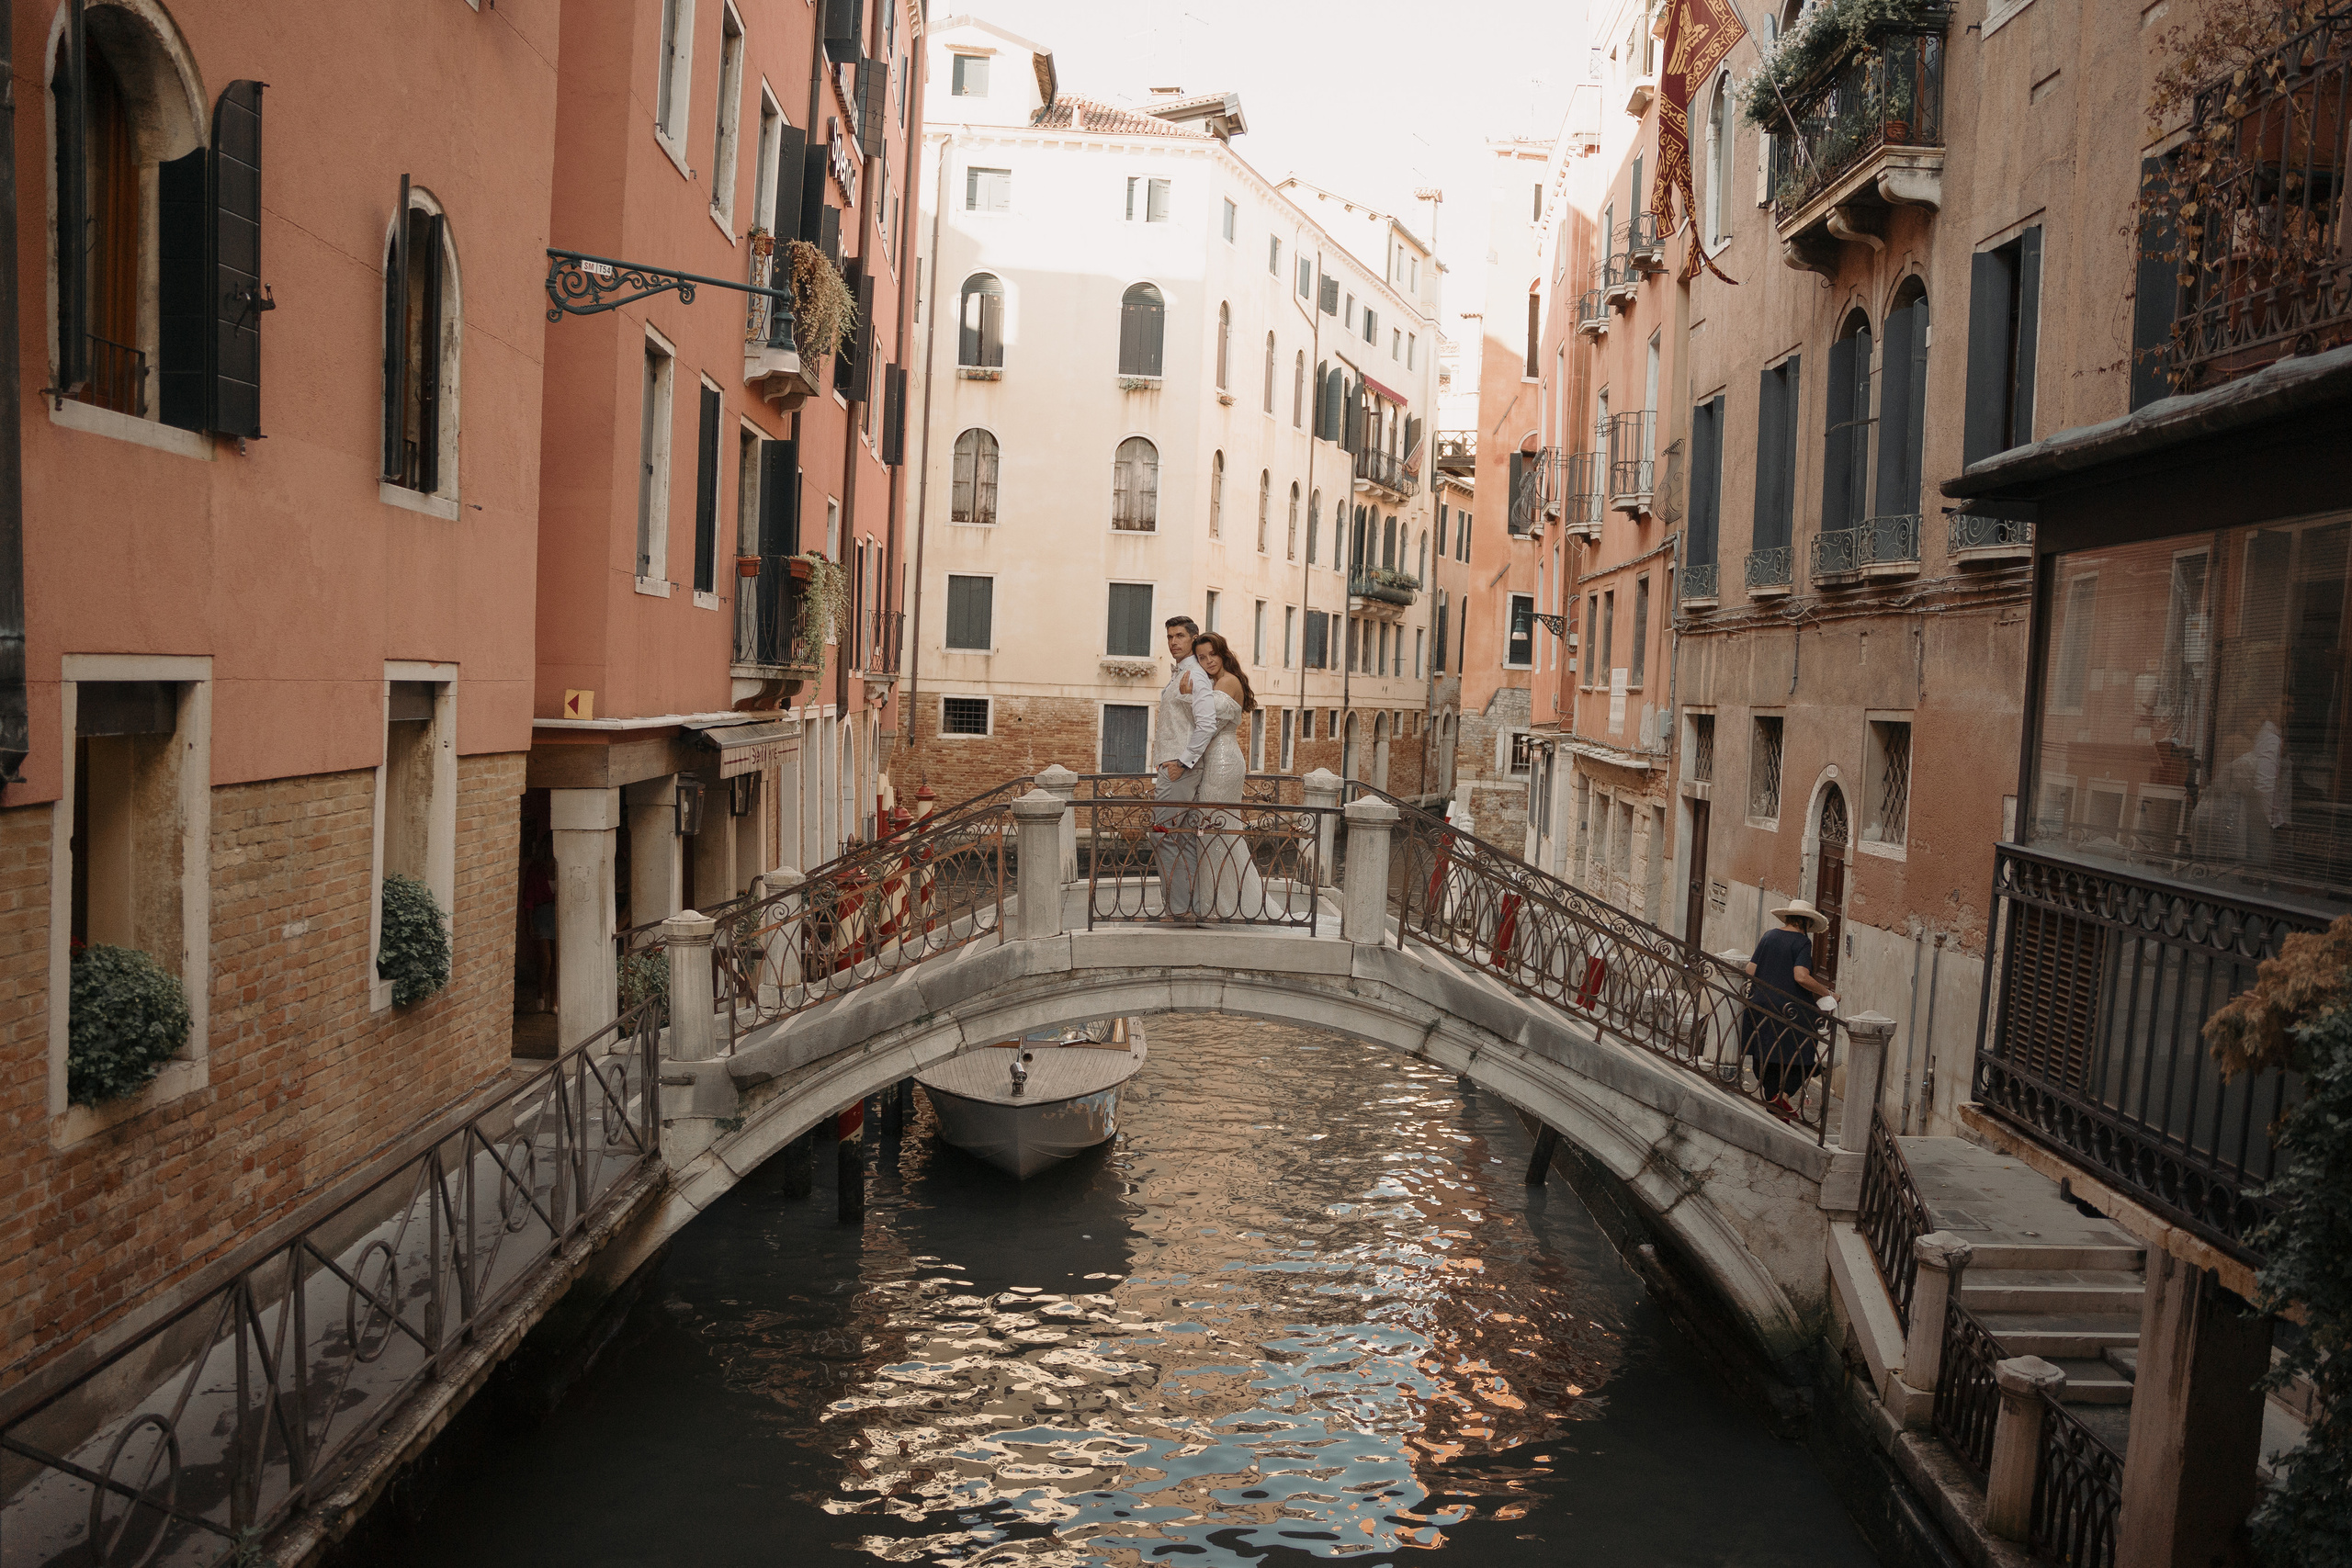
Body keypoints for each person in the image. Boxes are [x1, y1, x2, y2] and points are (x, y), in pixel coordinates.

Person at [1188, 632, 1268, 919]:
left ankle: (1225, 906)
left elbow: (1205, 723)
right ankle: (1219, 901)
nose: (1208, 661)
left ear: (1223, 654)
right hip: (1216, 759)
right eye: (1202, 657)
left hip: (1222, 761)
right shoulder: (1215, 681)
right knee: (1213, 831)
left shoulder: (1228, 681)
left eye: (1213, 655)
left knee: (1214, 830)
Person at [1740, 900, 1837, 1122]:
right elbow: (1801, 976)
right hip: (1791, 1011)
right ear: (1805, 922)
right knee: (1805, 1059)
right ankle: (1781, 1098)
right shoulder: (1802, 942)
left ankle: (1775, 1104)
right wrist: (1827, 993)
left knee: (1764, 1054)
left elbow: (1750, 969)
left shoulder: (1769, 936)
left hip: (1761, 1006)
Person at [1152, 615, 1219, 917]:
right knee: (1180, 838)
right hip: (1174, 769)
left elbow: (1207, 724)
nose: (1173, 642)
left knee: (1161, 834)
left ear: (1193, 638)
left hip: (1181, 770)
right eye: (1169, 637)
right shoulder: (1181, 673)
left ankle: (1179, 910)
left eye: (1179, 636)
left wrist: (1182, 763)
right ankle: (1190, 907)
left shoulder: (1195, 675)